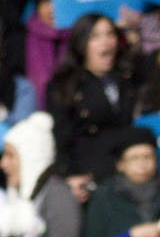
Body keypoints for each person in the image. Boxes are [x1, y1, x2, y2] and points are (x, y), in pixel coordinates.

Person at [45, 13, 139, 203]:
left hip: (130, 175)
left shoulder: (126, 77)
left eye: (110, 34)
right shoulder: (65, 84)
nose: (106, 42)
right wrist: (68, 177)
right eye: (95, 36)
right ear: (81, 43)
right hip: (90, 177)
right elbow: (62, 137)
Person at [0, 112, 81, 237]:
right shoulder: (16, 196)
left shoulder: (58, 195)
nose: (3, 164)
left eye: (10, 155)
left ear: (31, 158)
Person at [77, 126, 160, 237]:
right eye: (134, 158)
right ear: (120, 165)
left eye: (148, 157)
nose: (142, 164)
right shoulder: (104, 196)